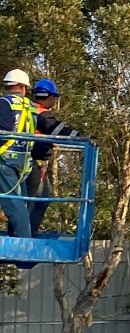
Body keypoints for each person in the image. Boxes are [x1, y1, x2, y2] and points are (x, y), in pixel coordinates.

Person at [25, 78, 67, 236]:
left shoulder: (29, 109)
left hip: (33, 161)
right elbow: (59, 131)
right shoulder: (41, 114)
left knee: (41, 197)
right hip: (33, 162)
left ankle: (28, 231)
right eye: (54, 99)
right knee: (32, 199)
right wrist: (85, 138)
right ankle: (25, 233)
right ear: (50, 97)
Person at [0, 70, 36, 241]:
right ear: (22, 87)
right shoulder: (31, 106)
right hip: (23, 160)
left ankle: (24, 242)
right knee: (20, 201)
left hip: (5, 158)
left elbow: (3, 130)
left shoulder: (5, 103)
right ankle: (18, 235)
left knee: (13, 203)